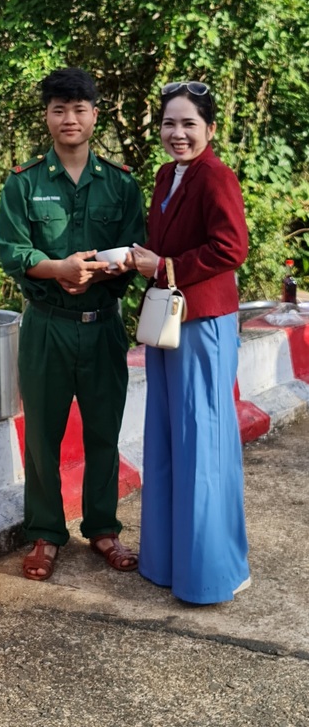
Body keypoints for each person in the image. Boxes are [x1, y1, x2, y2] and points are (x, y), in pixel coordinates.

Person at [0, 68, 145, 581]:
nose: (70, 119)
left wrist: (103, 269)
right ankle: (44, 533)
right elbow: (10, 249)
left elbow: (135, 247)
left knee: (104, 430)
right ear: (47, 116)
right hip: (46, 326)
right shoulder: (25, 182)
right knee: (42, 435)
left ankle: (104, 528)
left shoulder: (121, 184)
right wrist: (57, 269)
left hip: (103, 324)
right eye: (59, 109)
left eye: (80, 109)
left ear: (95, 114)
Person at [132, 81, 250, 604]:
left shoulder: (216, 177)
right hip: (167, 322)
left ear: (210, 129)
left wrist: (163, 267)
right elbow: (166, 243)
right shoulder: (166, 175)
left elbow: (232, 247)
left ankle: (212, 572)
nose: (177, 134)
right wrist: (139, 258)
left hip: (203, 323)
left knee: (203, 442)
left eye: (188, 124)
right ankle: (166, 563)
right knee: (164, 438)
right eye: (168, 124)